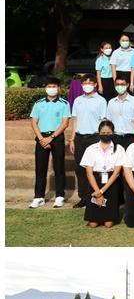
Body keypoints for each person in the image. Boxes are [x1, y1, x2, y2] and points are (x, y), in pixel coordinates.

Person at [28, 80, 71, 209]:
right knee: (40, 168)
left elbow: (65, 124)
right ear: (45, 88)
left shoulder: (64, 104)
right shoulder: (39, 103)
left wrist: (51, 137)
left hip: (56, 137)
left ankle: (59, 196)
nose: (51, 88)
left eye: (54, 86)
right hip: (41, 137)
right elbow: (34, 122)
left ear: (58, 88)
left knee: (59, 168)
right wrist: (42, 139)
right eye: (49, 86)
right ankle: (39, 197)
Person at [68, 75, 109, 208]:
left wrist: (103, 139)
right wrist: (72, 138)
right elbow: (75, 120)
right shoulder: (78, 100)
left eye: (90, 83)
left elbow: (103, 121)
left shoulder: (101, 101)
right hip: (80, 137)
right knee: (80, 169)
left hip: (94, 137)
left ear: (95, 85)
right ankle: (83, 197)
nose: (87, 85)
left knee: (95, 168)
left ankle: (96, 194)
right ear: (81, 85)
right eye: (85, 83)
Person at [78, 119, 126, 228]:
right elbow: (89, 173)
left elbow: (117, 173)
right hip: (95, 182)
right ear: (99, 133)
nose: (106, 135)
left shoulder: (119, 149)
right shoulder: (91, 149)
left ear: (113, 133)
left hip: (111, 183)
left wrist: (102, 191)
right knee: (93, 224)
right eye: (103, 133)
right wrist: (97, 192)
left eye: (108, 133)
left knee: (108, 224)